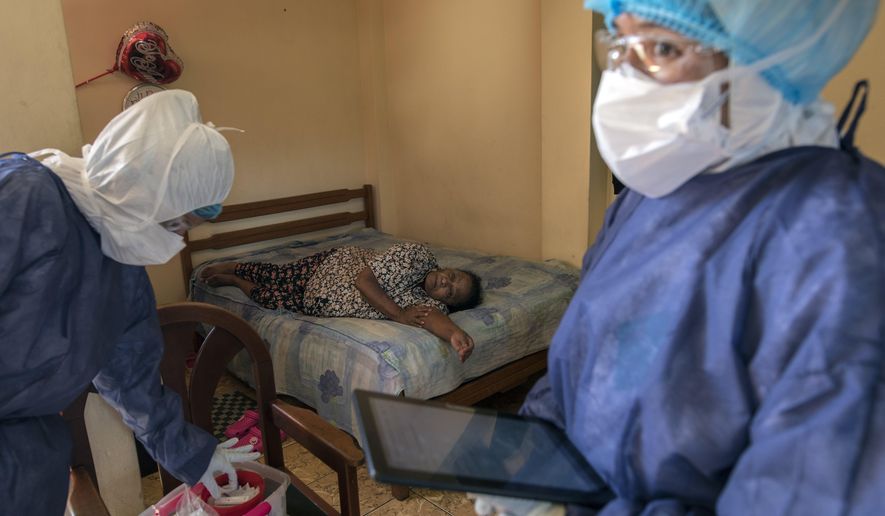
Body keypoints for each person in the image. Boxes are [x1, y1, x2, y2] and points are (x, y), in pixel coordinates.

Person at [511, 0, 885, 514]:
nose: (624, 79)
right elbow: (584, 351)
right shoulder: (652, 194)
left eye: (662, 47)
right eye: (619, 46)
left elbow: (810, 491)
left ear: (773, 59)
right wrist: (533, 454)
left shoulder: (843, 238)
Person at [0, 90, 259, 514]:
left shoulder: (124, 271)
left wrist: (195, 455)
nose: (178, 240)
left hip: (29, 459)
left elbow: (133, 383)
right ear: (143, 191)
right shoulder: (23, 197)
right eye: (177, 223)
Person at [200, 242, 483, 362]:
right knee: (275, 275)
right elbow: (364, 281)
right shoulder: (416, 256)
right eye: (452, 277)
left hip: (316, 301)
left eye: (452, 293)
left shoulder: (425, 303)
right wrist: (397, 314)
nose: (446, 283)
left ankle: (235, 282)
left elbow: (432, 318)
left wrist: (456, 334)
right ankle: (237, 267)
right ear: (448, 268)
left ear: (447, 303)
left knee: (270, 299)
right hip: (330, 269)